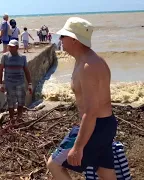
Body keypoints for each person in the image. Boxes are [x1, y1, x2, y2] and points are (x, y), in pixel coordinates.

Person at [46, 17, 118, 180]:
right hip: (105, 124)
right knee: (104, 171)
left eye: (63, 37)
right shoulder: (91, 60)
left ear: (74, 40)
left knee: (54, 164)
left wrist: (78, 147)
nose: (60, 40)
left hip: (96, 125)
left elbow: (91, 111)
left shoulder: (88, 66)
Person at [0, 39, 32, 122]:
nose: (10, 48)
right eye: (9, 46)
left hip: (20, 82)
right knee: (10, 102)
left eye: (12, 47)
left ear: (17, 47)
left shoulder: (22, 57)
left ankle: (19, 116)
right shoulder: (5, 56)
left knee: (21, 101)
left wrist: (30, 84)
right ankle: (12, 118)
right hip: (9, 83)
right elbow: (0, 70)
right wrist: (0, 84)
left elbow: (26, 71)